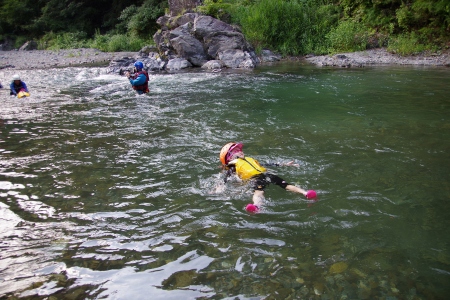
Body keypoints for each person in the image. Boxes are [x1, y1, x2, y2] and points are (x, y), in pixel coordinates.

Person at [219, 142, 317, 213]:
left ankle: (306, 193)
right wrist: (220, 186)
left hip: (266, 175)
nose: (240, 152)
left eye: (240, 150)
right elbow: (227, 177)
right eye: (236, 151)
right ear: (230, 158)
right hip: (255, 178)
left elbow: (265, 165)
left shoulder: (249, 159)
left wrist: (284, 164)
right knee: (259, 192)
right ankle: (256, 206)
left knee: (286, 185)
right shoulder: (233, 166)